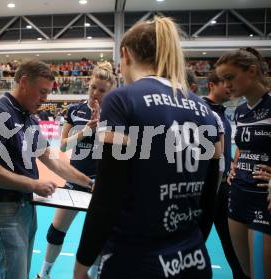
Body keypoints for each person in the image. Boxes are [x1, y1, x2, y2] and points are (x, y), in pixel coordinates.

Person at [74, 16, 222, 279]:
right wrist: (192, 242)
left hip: (135, 259)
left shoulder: (121, 100)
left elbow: (108, 192)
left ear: (125, 54)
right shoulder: (205, 110)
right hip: (194, 257)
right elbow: (211, 190)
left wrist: (83, 261)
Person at [0, 60, 94, 279]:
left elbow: (51, 160)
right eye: (42, 92)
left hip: (25, 207)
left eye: (48, 93)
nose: (45, 99)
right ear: (24, 82)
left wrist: (89, 183)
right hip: (3, 208)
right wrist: (33, 184)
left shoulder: (29, 118)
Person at [36, 62, 116, 279]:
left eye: (102, 90)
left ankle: (94, 274)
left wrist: (101, 128)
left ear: (110, 92)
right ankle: (44, 274)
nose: (96, 93)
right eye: (93, 87)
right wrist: (85, 131)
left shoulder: (115, 115)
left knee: (99, 236)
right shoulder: (75, 109)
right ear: (88, 85)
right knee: (55, 232)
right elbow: (63, 146)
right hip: (75, 181)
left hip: (101, 184)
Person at [215, 47, 271, 278]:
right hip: (237, 194)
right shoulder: (239, 111)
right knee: (243, 272)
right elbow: (243, 145)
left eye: (230, 77)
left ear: (252, 71)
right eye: (222, 80)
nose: (226, 85)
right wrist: (235, 166)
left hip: (263, 199)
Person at [202, 71, 249, 278]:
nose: (230, 86)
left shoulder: (222, 113)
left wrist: (232, 165)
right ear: (212, 85)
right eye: (225, 82)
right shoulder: (200, 110)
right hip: (203, 191)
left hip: (224, 189)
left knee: (235, 251)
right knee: (191, 246)